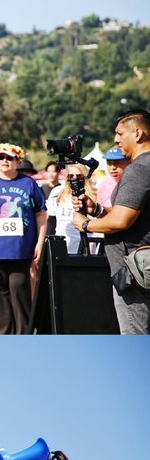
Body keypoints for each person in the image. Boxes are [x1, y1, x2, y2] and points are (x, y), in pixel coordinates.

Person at [73, 109, 150, 334]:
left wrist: (85, 224)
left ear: (138, 134)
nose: (116, 139)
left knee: (135, 338)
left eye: (120, 133)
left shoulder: (140, 168)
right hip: (142, 266)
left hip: (135, 272)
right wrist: (97, 210)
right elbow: (135, 214)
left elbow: (121, 221)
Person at [0, 142, 47, 333]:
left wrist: (40, 243)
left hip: (21, 250)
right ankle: (3, 336)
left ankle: (23, 335)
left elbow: (41, 214)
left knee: (19, 290)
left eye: (9, 158)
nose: (5, 161)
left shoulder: (29, 183)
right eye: (1, 157)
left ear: (18, 161)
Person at [46, 163, 100, 253]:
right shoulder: (58, 192)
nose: (74, 179)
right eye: (71, 176)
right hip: (61, 247)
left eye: (79, 176)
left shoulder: (94, 194)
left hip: (85, 248)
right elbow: (49, 218)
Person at [96, 145, 128, 210]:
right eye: (109, 163)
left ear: (128, 162)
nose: (112, 167)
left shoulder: (133, 183)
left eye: (117, 163)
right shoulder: (104, 184)